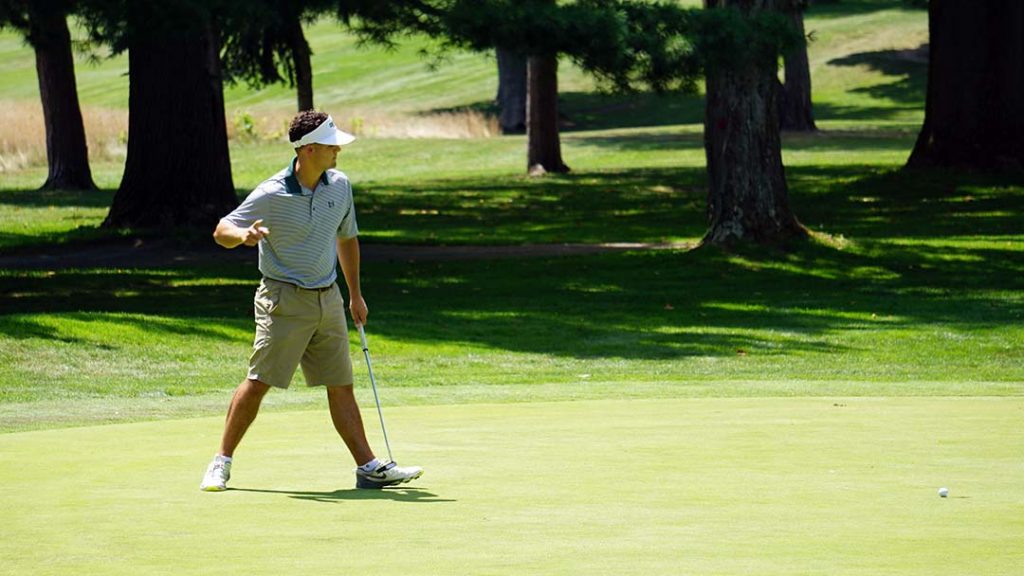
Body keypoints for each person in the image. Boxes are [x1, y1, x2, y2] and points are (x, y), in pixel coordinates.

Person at [200, 110, 423, 491]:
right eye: (332, 144)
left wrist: (355, 294)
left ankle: (368, 467)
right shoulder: (273, 192)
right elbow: (222, 229)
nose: (338, 150)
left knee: (341, 384)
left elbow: (347, 238)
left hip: (329, 298)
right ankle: (221, 462)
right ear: (310, 149)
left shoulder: (340, 185)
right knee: (259, 382)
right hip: (283, 300)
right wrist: (244, 237)